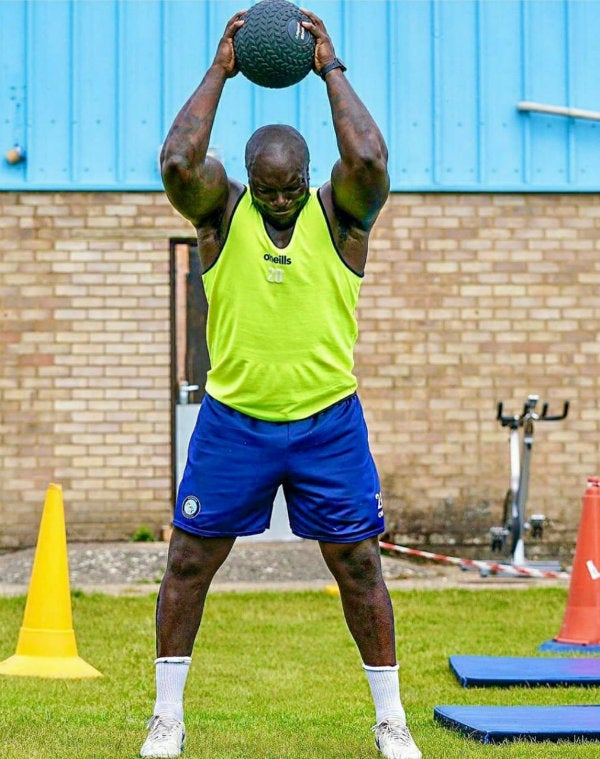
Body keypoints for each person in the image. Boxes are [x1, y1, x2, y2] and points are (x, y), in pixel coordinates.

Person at [140, 8, 422, 759]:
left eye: (290, 187)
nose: (277, 201)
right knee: (188, 562)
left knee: (360, 563)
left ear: (307, 177)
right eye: (266, 190)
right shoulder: (218, 214)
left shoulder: (344, 218)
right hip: (234, 421)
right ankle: (168, 716)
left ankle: (391, 719)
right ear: (248, 181)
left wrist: (331, 67)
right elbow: (175, 161)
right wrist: (220, 68)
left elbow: (369, 158)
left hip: (327, 420)